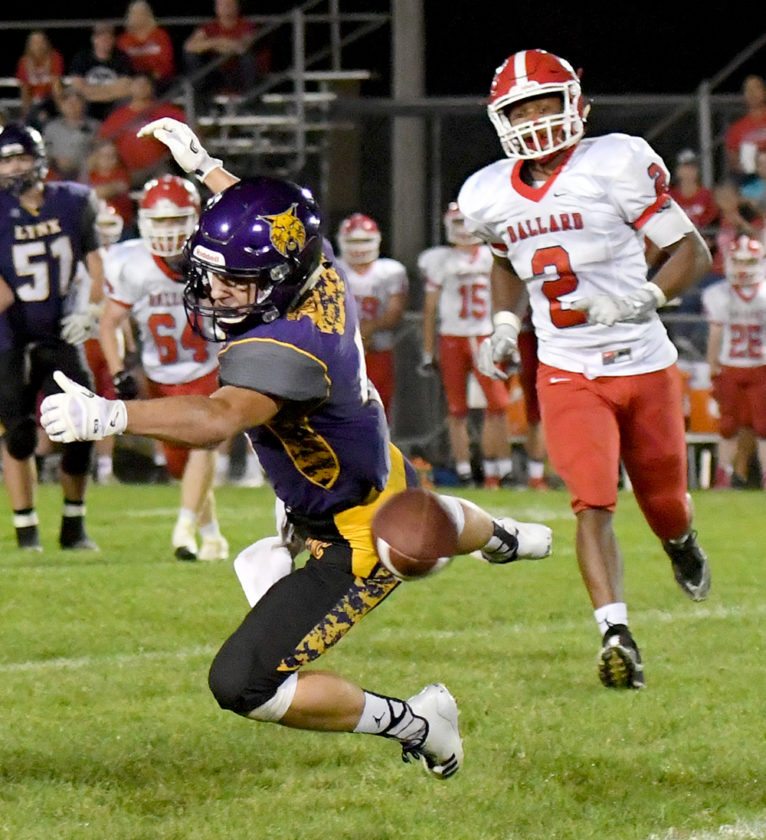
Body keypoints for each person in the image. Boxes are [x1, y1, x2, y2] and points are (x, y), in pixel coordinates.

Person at [40, 115, 553, 778]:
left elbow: (217, 418)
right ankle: (502, 537)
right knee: (409, 517)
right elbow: (278, 225)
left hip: (353, 536)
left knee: (244, 683)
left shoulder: (288, 349)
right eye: (213, 272)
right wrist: (206, 168)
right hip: (364, 467)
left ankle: (421, 723)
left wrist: (109, 415)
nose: (215, 290)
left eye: (236, 281)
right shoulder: (320, 269)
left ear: (281, 279)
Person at [458, 48, 713, 690]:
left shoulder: (616, 160)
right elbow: (505, 260)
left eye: (545, 103)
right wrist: (504, 323)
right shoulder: (487, 192)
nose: (535, 118)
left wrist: (644, 297)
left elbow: (691, 250)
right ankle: (615, 633)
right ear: (501, 118)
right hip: (567, 367)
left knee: (664, 503)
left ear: (576, 104)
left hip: (645, 362)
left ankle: (680, 544)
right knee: (591, 502)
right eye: (522, 109)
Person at [98, 174, 228, 561]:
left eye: (176, 220)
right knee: (180, 466)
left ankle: (183, 530)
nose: (169, 230)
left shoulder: (215, 256)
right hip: (159, 374)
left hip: (207, 367)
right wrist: (118, 370)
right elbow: (109, 322)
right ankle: (212, 535)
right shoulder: (131, 263)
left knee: (204, 444)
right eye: (161, 221)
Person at [0, 123, 106, 551]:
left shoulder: (73, 201)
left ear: (39, 159)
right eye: (6, 160)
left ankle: (73, 526)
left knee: (85, 424)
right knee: (19, 435)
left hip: (62, 331)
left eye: (21, 157)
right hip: (8, 337)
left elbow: (97, 265)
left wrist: (91, 310)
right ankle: (27, 531)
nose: (13, 167)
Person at [417, 201, 513, 488]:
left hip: (485, 336)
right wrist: (428, 350)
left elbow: (506, 297)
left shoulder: (491, 255)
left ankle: (497, 470)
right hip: (452, 337)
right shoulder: (440, 260)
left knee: (498, 405)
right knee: (457, 409)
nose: (465, 229)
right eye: (459, 222)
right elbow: (430, 309)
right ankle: (464, 471)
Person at [703, 235, 766, 489]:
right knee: (727, 426)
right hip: (730, 365)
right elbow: (715, 334)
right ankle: (724, 476)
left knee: (764, 427)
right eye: (738, 261)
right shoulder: (718, 294)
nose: (742, 267)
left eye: (748, 261)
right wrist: (712, 366)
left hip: (760, 365)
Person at [336, 213, 408, 419]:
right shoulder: (332, 269)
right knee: (341, 410)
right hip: (340, 351)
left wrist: (368, 329)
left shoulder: (390, 271)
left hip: (378, 349)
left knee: (378, 409)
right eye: (353, 241)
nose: (359, 247)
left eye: (364, 240)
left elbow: (394, 314)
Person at [97, 72, 187, 189]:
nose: (141, 87)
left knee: (167, 183)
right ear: (131, 87)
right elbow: (102, 142)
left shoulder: (166, 111)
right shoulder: (118, 116)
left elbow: (188, 132)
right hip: (126, 170)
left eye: (145, 84)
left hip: (158, 168)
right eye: (138, 84)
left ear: (151, 88)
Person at [183, 0, 270, 98]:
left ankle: (250, 100)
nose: (226, 7)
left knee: (248, 58)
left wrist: (212, 45)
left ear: (237, 7)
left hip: (238, 73)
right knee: (191, 56)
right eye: (222, 4)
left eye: (229, 4)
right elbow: (189, 46)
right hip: (217, 73)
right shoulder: (209, 26)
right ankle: (198, 98)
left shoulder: (246, 25)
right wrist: (218, 41)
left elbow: (242, 46)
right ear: (216, 8)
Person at [69, 23, 134, 122]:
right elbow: (78, 87)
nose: (106, 42)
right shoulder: (82, 58)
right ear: (94, 39)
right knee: (74, 98)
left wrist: (93, 92)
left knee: (128, 98)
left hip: (114, 101)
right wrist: (109, 91)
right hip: (88, 102)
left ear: (113, 40)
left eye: (109, 39)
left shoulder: (122, 58)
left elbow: (124, 89)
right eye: (102, 39)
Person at [42, 88, 100, 182]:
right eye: (68, 103)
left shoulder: (94, 127)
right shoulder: (51, 127)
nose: (72, 106)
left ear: (83, 105)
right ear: (61, 106)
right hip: (56, 172)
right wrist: (55, 160)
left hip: (84, 173)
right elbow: (44, 150)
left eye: (76, 102)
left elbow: (99, 151)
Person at [116, 1, 176, 92]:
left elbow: (167, 63)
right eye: (135, 13)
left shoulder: (161, 35)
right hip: (132, 81)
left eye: (142, 13)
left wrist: (151, 77)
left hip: (158, 80)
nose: (138, 16)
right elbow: (119, 65)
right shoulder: (123, 40)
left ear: (148, 14)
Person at [15, 30, 65, 129]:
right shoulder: (24, 62)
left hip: (50, 100)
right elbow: (24, 90)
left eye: (41, 42)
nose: (38, 45)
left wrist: (62, 110)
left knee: (44, 117)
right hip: (34, 102)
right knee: (30, 120)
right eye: (35, 42)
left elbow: (57, 87)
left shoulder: (55, 58)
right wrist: (25, 113)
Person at [85, 139, 135, 235]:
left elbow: (111, 190)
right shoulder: (90, 175)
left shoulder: (121, 174)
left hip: (122, 228)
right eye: (104, 155)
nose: (109, 159)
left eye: (113, 155)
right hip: (96, 230)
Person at [724, 75, 766, 182]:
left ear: (764, 92)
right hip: (749, 178)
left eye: (756, 88)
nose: (752, 93)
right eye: (748, 89)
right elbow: (732, 159)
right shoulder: (736, 128)